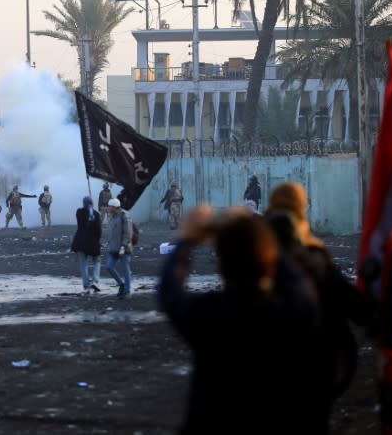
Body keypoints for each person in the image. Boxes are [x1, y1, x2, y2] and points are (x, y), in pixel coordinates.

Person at [158, 206, 320, 434]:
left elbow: (169, 292)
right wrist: (256, 233)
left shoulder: (210, 314)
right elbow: (294, 279)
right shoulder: (292, 310)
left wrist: (186, 240)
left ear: (221, 267)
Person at [266, 182, 372, 429]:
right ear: (300, 209)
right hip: (316, 368)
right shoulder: (313, 258)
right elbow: (350, 302)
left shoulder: (251, 255)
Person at [71, 196, 102, 294]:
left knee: (83, 263)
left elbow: (81, 223)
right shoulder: (96, 214)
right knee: (97, 260)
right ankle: (95, 281)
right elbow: (98, 231)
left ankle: (85, 283)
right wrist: (91, 215)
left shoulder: (79, 212)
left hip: (80, 241)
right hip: (92, 242)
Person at [105, 198, 133, 299]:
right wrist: (109, 244)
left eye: (109, 206)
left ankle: (127, 291)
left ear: (114, 207)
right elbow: (112, 233)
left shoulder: (124, 216)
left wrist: (123, 245)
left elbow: (128, 233)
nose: (108, 208)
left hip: (123, 248)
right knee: (109, 266)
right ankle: (121, 284)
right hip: (114, 248)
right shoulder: (112, 217)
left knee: (126, 270)